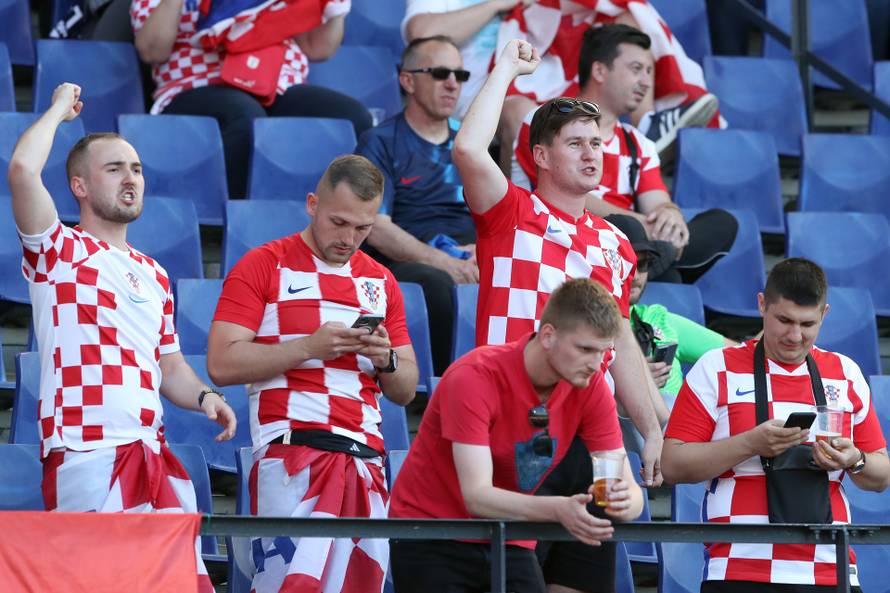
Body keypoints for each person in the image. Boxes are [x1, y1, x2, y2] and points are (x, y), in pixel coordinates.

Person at [8, 82, 237, 593]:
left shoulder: (154, 274)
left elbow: (169, 365)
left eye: (136, 168)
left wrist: (206, 396)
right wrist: (58, 111)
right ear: (79, 186)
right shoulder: (59, 251)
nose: (131, 178)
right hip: (85, 452)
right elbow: (22, 169)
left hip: (150, 453)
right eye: (114, 169)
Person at [453, 37, 666, 482]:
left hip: (592, 428)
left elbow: (620, 341)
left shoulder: (617, 242)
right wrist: (506, 70)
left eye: (596, 143)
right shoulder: (510, 213)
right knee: (519, 528)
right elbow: (469, 149)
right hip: (515, 413)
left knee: (599, 527)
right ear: (541, 156)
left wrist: (651, 430)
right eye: (575, 144)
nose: (591, 154)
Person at [206, 155, 419, 593]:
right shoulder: (264, 264)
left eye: (362, 228)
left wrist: (387, 360)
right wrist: (308, 348)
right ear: (312, 204)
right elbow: (221, 364)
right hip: (291, 454)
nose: (349, 239)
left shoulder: (381, 281)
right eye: (339, 222)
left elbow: (406, 390)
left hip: (365, 459)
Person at [389, 278, 644, 593]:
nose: (595, 364)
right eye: (585, 349)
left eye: (603, 351)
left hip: (511, 532)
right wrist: (557, 510)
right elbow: (477, 497)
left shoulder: (591, 388)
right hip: (432, 532)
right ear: (548, 335)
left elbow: (628, 488)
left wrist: (625, 503)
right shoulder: (475, 376)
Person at [661, 258, 890, 593]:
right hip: (738, 568)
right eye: (784, 320)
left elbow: (881, 475)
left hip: (830, 569)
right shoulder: (716, 367)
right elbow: (672, 465)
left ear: (825, 314)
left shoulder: (846, 373)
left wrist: (855, 460)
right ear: (761, 305)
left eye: (808, 324)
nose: (795, 336)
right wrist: (750, 444)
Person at [514, 24, 737, 284]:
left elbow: (658, 202)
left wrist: (670, 214)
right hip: (559, 241)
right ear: (599, 71)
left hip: (627, 246)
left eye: (649, 72)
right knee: (648, 253)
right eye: (636, 69)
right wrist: (640, 225)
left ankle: (643, 265)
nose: (646, 82)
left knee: (722, 222)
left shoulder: (639, 143)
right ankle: (647, 264)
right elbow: (564, 199)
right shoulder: (543, 121)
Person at [130, 0, 373, 199]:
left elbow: (317, 48)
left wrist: (336, 9)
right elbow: (152, 50)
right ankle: (229, 225)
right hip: (200, 83)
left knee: (353, 117)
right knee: (245, 115)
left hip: (277, 84)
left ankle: (340, 222)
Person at [356, 35, 478, 375]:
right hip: (407, 259)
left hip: (470, 252)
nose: (452, 84)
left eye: (460, 75)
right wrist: (443, 261)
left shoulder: (471, 144)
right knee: (435, 284)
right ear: (408, 81)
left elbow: (497, 216)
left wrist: (486, 252)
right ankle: (444, 385)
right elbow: (376, 226)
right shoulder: (379, 141)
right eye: (440, 73)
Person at [606, 213, 736, 403]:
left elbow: (743, 356)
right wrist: (627, 386)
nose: (636, 276)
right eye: (625, 264)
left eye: (642, 264)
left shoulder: (659, 318)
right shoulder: (583, 327)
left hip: (678, 419)